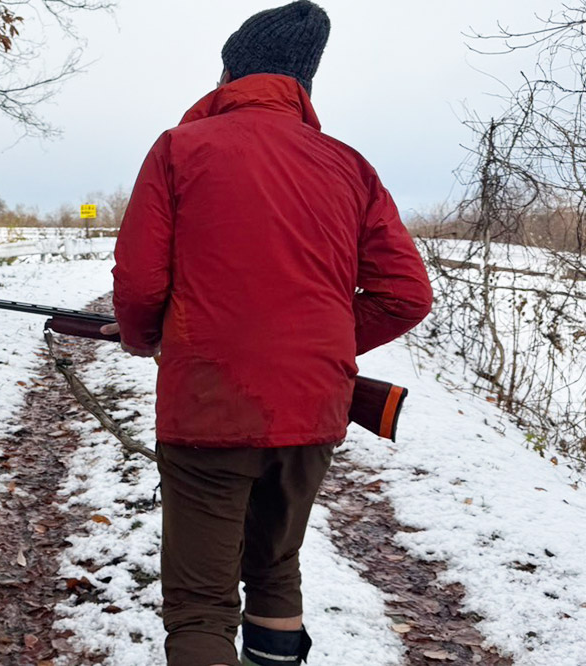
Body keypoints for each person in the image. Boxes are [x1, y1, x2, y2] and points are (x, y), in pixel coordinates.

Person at [98, 2, 434, 664]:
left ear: (229, 74)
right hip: (313, 413)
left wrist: (152, 338)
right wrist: (319, 347)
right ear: (305, 84)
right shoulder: (350, 167)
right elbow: (406, 295)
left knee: (199, 605)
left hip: (209, 410)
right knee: (276, 567)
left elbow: (138, 289)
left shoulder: (179, 149)